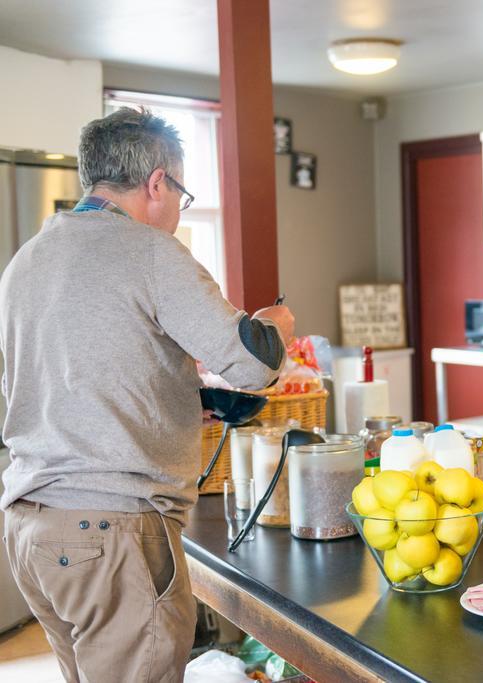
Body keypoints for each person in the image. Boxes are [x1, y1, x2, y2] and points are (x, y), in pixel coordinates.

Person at [0, 108, 294, 682]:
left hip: (29, 527)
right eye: (181, 196)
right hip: (113, 531)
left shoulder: (27, 260)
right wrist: (275, 323)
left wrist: (180, 397)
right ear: (158, 182)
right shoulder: (149, 251)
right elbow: (254, 363)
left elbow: (64, 378)